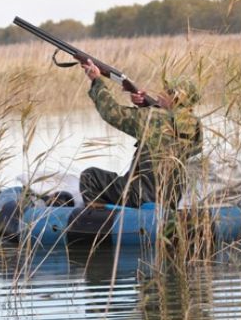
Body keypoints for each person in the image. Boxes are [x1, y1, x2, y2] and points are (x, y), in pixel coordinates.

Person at [79, 59, 202, 209]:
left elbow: (111, 112)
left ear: (176, 98)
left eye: (166, 90)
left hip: (141, 197)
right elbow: (168, 133)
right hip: (170, 199)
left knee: (90, 177)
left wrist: (96, 80)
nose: (160, 93)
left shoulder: (152, 117)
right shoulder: (195, 124)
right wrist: (145, 105)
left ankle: (101, 222)